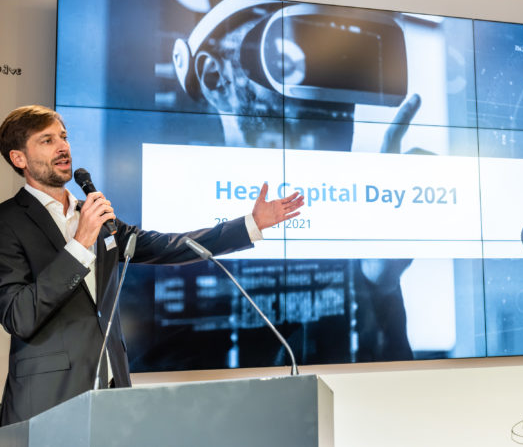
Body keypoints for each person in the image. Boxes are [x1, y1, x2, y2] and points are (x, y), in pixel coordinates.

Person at [0, 104, 304, 425]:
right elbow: (19, 316)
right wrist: (79, 245)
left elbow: (168, 246)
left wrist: (250, 224)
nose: (63, 147)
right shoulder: (8, 222)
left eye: (64, 137)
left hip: (111, 394)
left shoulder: (94, 216)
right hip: (45, 400)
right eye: (47, 140)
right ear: (19, 158)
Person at [173, 0, 422, 364]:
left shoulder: (353, 233)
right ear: (215, 78)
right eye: (288, 58)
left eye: (340, 68)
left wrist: (380, 283)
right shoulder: (176, 236)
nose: (326, 98)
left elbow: (390, 385)